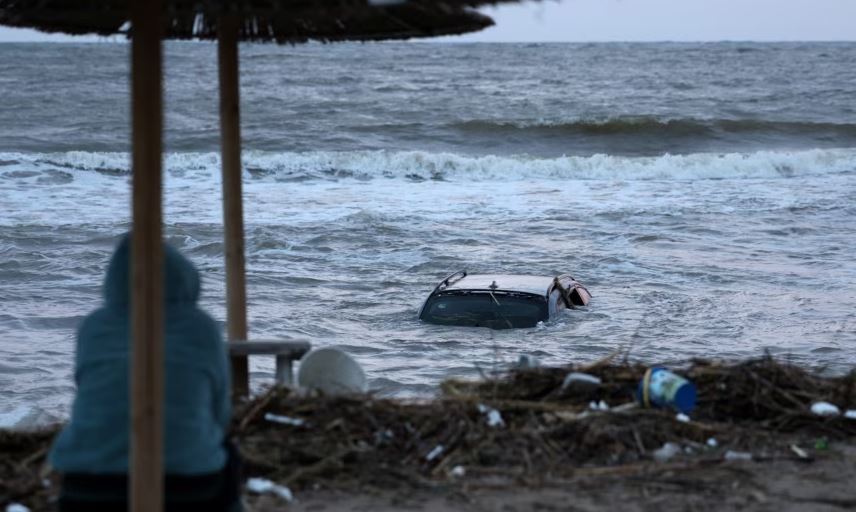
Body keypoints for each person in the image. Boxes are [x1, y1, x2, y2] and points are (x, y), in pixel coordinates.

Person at [49, 234, 241, 511]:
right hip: (188, 486)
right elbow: (220, 413)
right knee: (227, 455)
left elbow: (88, 389)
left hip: (87, 484)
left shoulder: (93, 327)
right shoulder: (202, 328)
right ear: (183, 276)